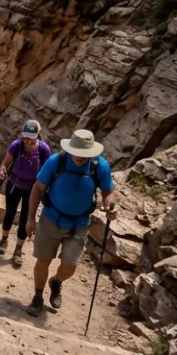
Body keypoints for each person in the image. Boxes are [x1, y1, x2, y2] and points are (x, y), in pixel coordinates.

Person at [25, 129, 116, 317]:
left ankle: (57, 281)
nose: (80, 157)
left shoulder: (100, 166)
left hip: (80, 223)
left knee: (70, 265)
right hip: (51, 218)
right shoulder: (56, 162)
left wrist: (110, 207)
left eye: (84, 154)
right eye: (77, 152)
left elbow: (108, 192)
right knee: (43, 260)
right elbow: (38, 188)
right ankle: (38, 296)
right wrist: (30, 218)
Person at [0, 120, 51, 268]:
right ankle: (4, 239)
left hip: (32, 189)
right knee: (10, 212)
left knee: (26, 218)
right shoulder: (17, 145)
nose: (28, 141)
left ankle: (18, 249)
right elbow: (6, 163)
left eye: (31, 138)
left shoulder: (43, 149)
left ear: (38, 135)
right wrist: (2, 170)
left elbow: (48, 169)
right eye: (26, 137)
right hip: (14, 184)